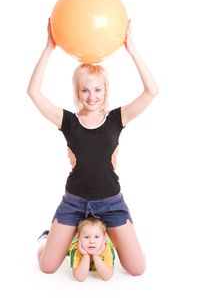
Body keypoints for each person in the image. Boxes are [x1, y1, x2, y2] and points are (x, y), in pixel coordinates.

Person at [27, 18, 159, 276]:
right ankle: (59, 239)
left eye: (97, 89)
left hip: (110, 202)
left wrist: (131, 49)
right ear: (78, 92)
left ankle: (100, 238)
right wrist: (48, 48)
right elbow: (33, 92)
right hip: (75, 202)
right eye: (85, 90)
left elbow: (151, 91)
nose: (91, 96)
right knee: (47, 266)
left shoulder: (115, 119)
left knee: (137, 269)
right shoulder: (69, 122)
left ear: (105, 90)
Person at [68, 217, 115, 281]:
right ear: (79, 239)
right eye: (86, 237)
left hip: (105, 242)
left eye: (96, 237)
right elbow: (80, 278)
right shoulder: (75, 251)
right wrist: (85, 256)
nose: (91, 241)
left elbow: (107, 277)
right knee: (65, 247)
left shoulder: (108, 250)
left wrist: (96, 256)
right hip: (72, 244)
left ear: (104, 239)